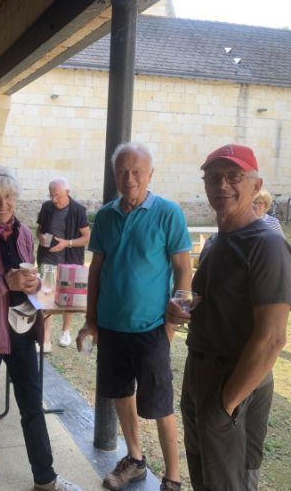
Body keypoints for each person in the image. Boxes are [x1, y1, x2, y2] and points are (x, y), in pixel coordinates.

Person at [167, 144, 291, 491]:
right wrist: (183, 309)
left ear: (256, 185)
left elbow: (273, 338)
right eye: (213, 177)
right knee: (204, 477)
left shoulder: (267, 245)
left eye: (234, 176)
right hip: (200, 374)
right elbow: (218, 303)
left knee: (230, 483)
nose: (222, 184)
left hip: (233, 382)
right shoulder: (216, 243)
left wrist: (227, 402)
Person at [76, 142, 192, 491]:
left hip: (151, 327)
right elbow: (96, 270)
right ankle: (136, 460)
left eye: (137, 172)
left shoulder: (168, 213)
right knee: (121, 393)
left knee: (160, 404)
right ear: (115, 175)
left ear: (150, 174)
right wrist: (91, 320)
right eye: (122, 172)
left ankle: (173, 477)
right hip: (111, 327)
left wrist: (173, 320)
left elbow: (183, 268)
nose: (129, 178)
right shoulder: (106, 216)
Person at [0, 165, 81, 491]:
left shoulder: (23, 234)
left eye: (9, 196)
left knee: (32, 407)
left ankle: (45, 479)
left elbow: (27, 283)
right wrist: (5, 283)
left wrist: (36, 287)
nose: (3, 204)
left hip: (20, 331)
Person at [36, 177, 90, 351]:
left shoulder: (78, 210)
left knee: (69, 297)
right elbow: (39, 230)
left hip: (70, 261)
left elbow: (86, 237)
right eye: (51, 195)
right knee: (46, 296)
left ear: (67, 192)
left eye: (57, 195)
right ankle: (46, 337)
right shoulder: (46, 207)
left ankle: (65, 331)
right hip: (48, 258)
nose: (54, 199)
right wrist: (41, 237)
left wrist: (67, 243)